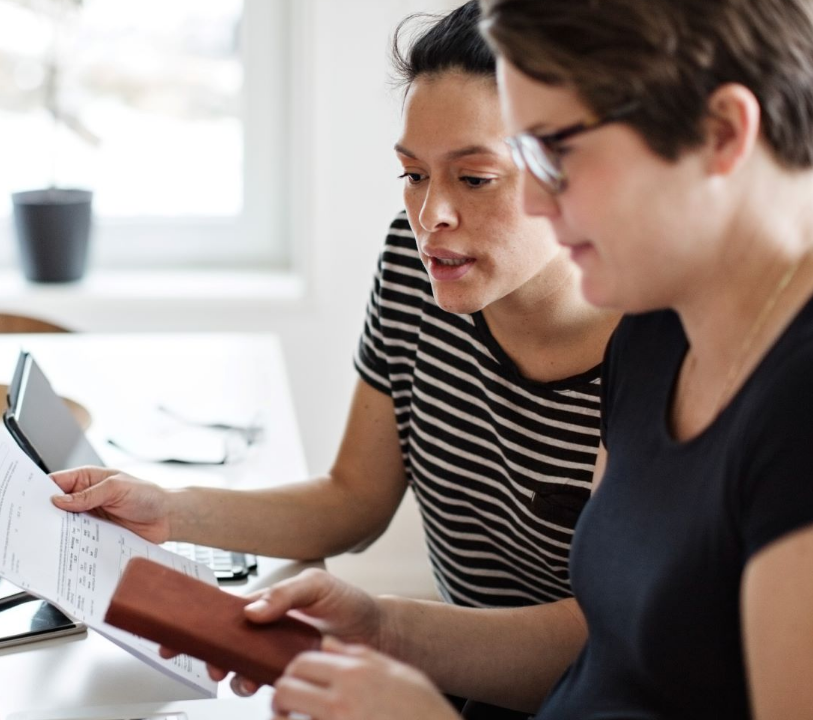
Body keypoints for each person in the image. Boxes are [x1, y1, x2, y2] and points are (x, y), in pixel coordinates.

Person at [208, 0, 813, 718]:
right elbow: (606, 655)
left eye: (559, 151)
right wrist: (382, 628)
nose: (539, 200)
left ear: (722, 132)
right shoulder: (654, 333)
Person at [51, 1, 619, 616]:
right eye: (414, 174)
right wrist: (168, 507)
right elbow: (353, 500)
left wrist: (379, 630)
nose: (431, 218)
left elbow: (602, 641)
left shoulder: (652, 339)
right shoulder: (415, 260)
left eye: (475, 178)